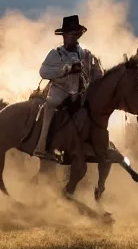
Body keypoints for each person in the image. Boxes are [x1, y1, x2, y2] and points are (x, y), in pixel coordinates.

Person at [35, 15, 103, 159]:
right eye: (70, 34)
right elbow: (43, 72)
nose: (73, 37)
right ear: (64, 36)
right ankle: (44, 148)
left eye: (75, 34)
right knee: (51, 109)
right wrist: (66, 70)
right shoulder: (55, 54)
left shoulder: (86, 54)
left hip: (80, 95)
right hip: (59, 93)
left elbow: (98, 73)